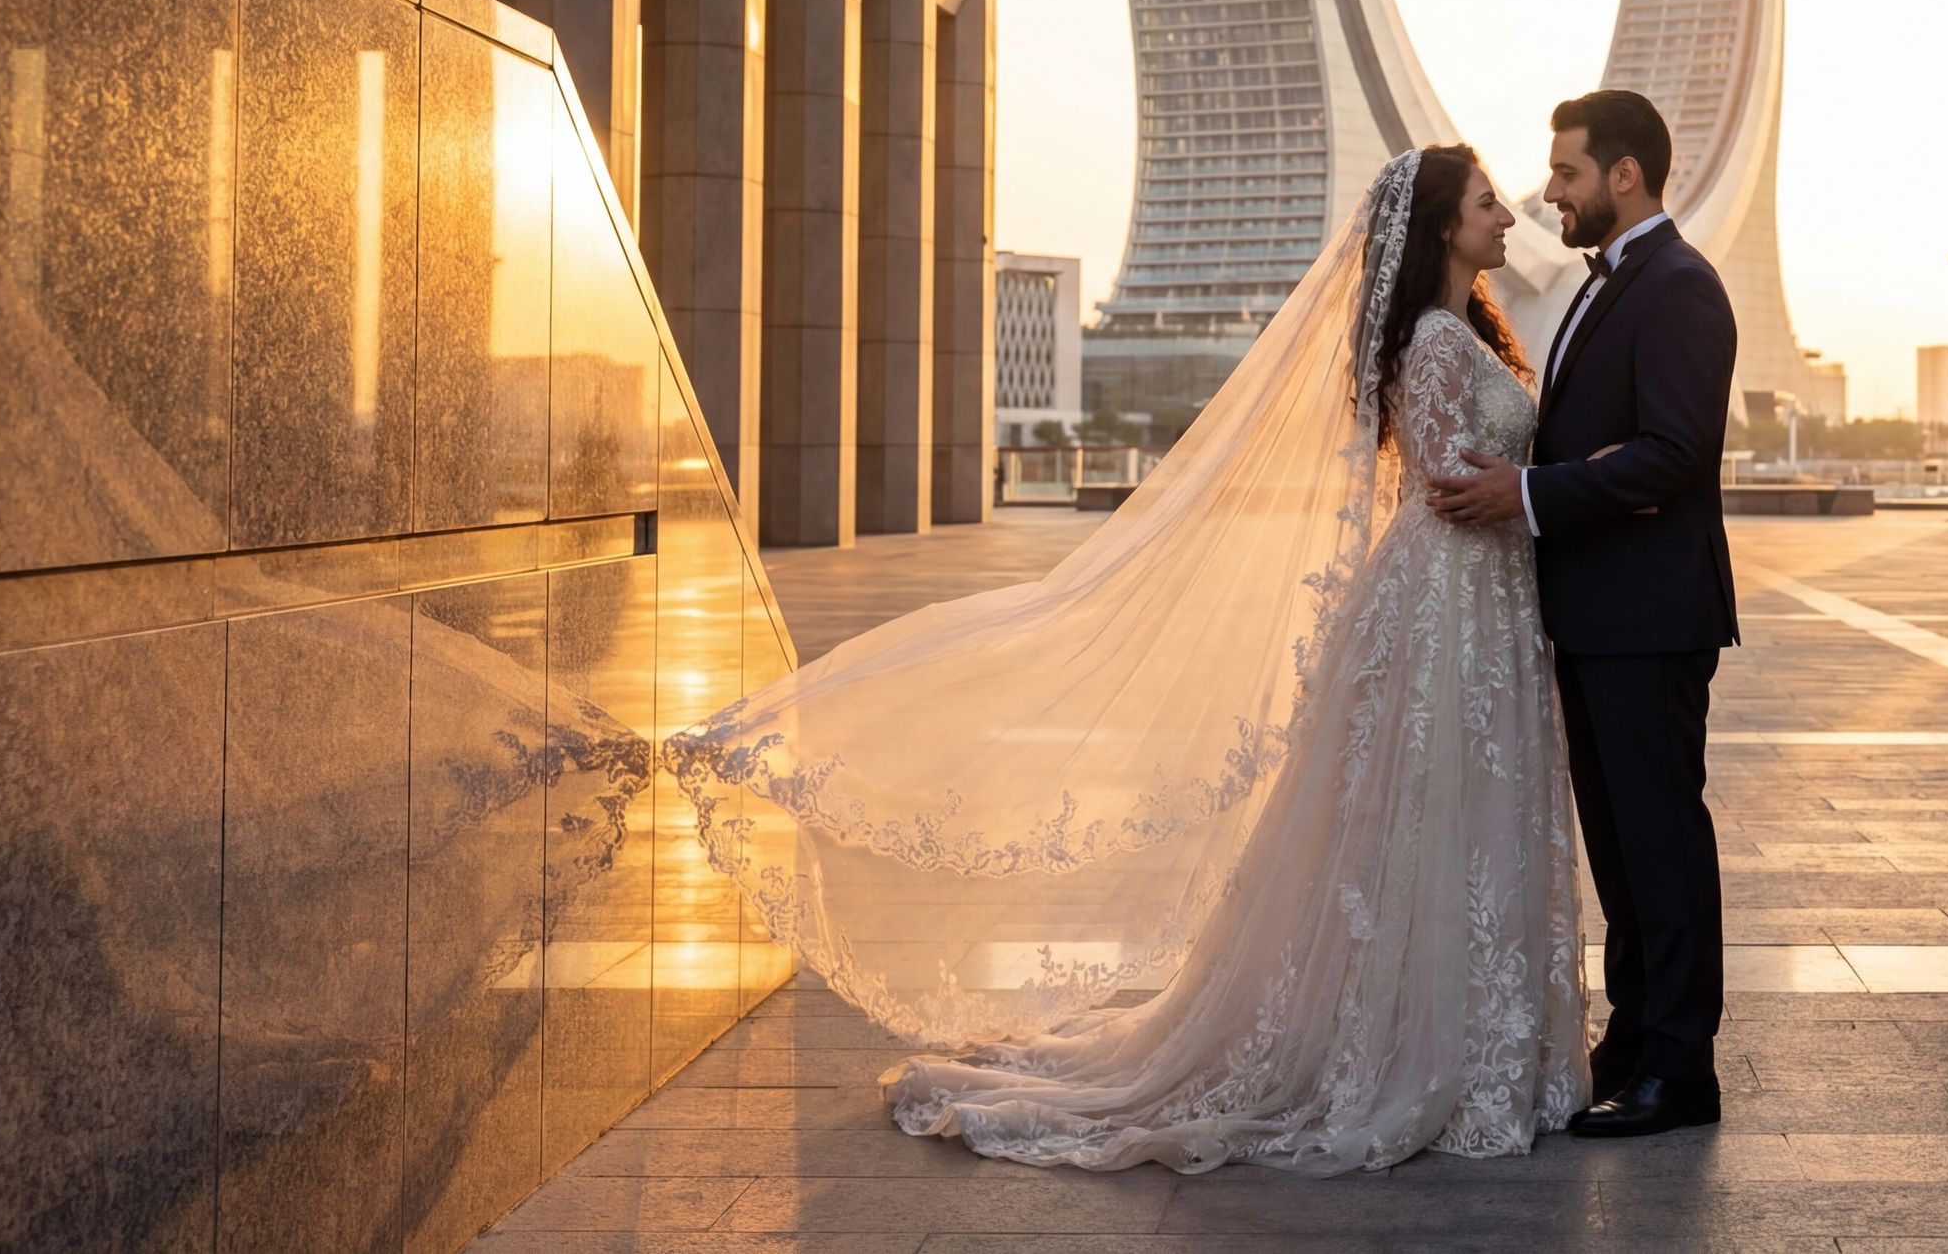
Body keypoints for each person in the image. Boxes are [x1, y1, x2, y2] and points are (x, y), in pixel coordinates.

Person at [666, 144, 1586, 1174]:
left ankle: (1458, 1033)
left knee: (1450, 810)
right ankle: (1428, 1048)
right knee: (1435, 805)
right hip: (1448, 597)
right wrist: (1534, 488)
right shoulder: (1433, 340)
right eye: (1487, 203)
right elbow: (1450, 482)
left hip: (1475, 594)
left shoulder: (1464, 331)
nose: (1507, 217)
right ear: (1442, 226)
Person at [1427, 89, 1739, 1138]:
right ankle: (1636, 1038)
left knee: (1662, 843)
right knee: (1621, 848)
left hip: (1650, 616)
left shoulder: (1679, 286)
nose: (1549, 191)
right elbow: (1599, 446)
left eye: (1566, 172)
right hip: (1599, 616)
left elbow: (1674, 454)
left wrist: (1528, 492)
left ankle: (1681, 1070)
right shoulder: (1609, 282)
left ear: (1624, 175)